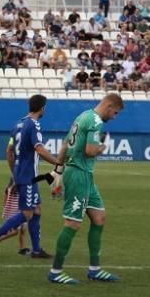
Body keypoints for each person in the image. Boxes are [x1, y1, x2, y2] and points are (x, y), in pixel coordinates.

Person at [48, 93, 125, 285]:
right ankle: (55, 271)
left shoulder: (83, 116)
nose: (114, 117)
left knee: (99, 218)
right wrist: (102, 147)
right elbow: (90, 151)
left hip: (84, 176)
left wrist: (58, 169)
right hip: (79, 175)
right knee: (73, 223)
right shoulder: (96, 121)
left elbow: (65, 144)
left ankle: (94, 269)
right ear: (108, 106)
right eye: (115, 113)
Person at [0, 95, 62, 259]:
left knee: (37, 209)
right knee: (27, 213)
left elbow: (9, 152)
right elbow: (40, 149)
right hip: (28, 175)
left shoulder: (18, 124)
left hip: (22, 173)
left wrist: (14, 174)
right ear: (42, 108)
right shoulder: (34, 124)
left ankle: (36, 250)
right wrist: (57, 162)